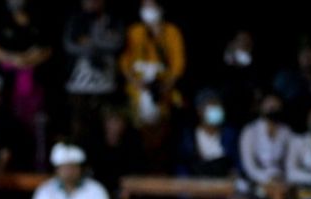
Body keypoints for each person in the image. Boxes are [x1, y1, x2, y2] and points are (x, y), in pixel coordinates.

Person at [118, 0, 185, 164]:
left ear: (160, 9)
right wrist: (135, 82)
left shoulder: (171, 32)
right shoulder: (134, 31)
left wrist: (165, 86)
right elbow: (124, 62)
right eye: (144, 6)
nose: (147, 10)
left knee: (162, 135)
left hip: (162, 92)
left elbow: (178, 65)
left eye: (151, 6)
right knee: (138, 134)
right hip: (136, 91)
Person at [0, 0, 53, 151]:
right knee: (9, 122)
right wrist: (15, 59)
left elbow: (46, 50)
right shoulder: (2, 21)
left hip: (35, 85)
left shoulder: (38, 20)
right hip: (9, 84)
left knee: (36, 125)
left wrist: (26, 61)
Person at [62, 0, 125, 142]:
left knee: (108, 131)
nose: (91, 3)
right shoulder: (75, 20)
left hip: (106, 85)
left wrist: (90, 42)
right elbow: (70, 45)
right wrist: (100, 45)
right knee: (80, 128)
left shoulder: (113, 20)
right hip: (78, 84)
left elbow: (117, 43)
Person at [178, 90, 240, 177]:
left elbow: (237, 163)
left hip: (224, 186)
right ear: (199, 111)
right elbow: (182, 167)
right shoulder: (189, 138)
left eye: (218, 105)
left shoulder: (229, 135)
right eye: (212, 105)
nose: (217, 109)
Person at [239, 93, 292, 186]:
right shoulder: (250, 131)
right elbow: (249, 166)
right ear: (261, 106)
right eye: (269, 104)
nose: (273, 107)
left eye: (276, 105)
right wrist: (267, 178)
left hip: (280, 180)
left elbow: (288, 163)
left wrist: (281, 178)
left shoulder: (286, 131)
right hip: (256, 180)